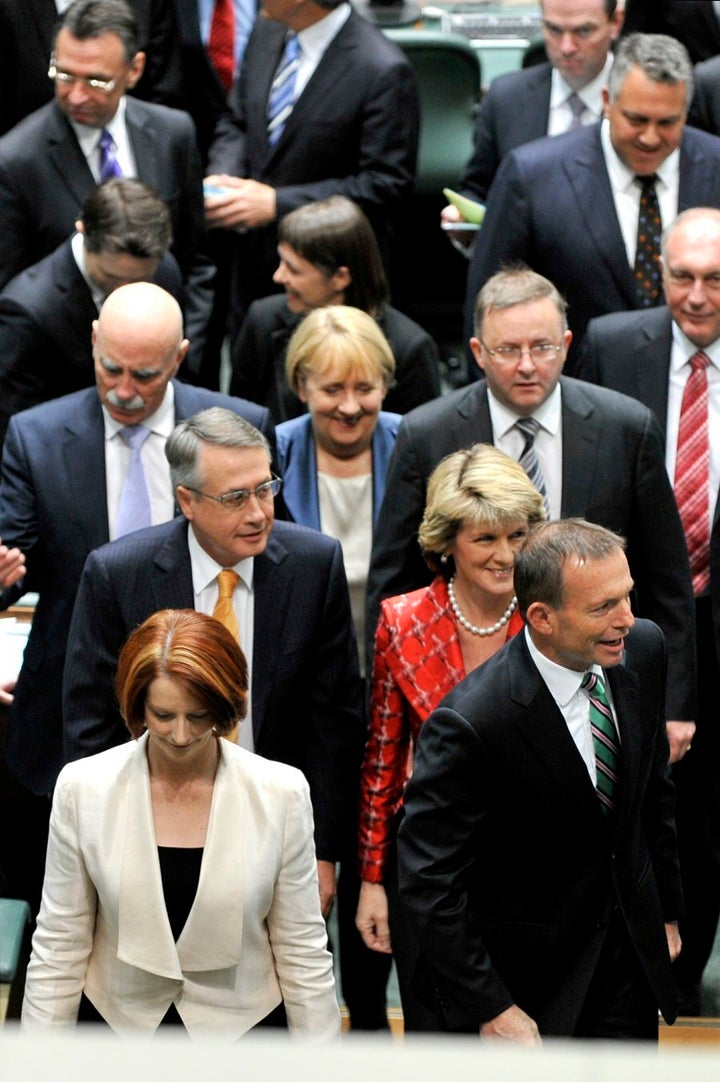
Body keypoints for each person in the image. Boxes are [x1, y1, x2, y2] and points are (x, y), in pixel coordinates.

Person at [366, 267, 696, 753]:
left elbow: (667, 576)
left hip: (602, 684)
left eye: (541, 347)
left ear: (565, 344)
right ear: (477, 352)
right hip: (465, 685)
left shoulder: (624, 427)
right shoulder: (426, 434)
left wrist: (673, 705)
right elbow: (395, 574)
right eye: (507, 350)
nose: (526, 365)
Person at [63, 407, 364, 927]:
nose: (258, 513)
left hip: (276, 835)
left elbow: (334, 723)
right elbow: (91, 726)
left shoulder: (315, 566)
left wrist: (322, 851)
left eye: (264, 488)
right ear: (188, 501)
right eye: (235, 498)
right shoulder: (118, 574)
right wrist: (109, 849)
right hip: (152, 829)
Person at [397, 518, 682, 1041]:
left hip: (625, 967)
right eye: (603, 607)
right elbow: (430, 883)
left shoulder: (644, 648)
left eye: (627, 596)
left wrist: (663, 914)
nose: (627, 619)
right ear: (542, 617)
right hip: (527, 985)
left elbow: (653, 795)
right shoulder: (473, 722)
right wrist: (491, 1005)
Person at [22, 608, 340, 1038]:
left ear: (225, 707)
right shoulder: (84, 788)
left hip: (245, 1037)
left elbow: (301, 949)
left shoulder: (280, 792)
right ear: (137, 706)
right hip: (116, 1035)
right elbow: (60, 944)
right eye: (163, 716)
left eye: (198, 716)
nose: (181, 735)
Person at [576, 205, 720, 1014]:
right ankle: (648, 971)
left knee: (706, 828)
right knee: (639, 807)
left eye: (714, 281)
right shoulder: (612, 341)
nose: (695, 297)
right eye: (681, 277)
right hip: (625, 620)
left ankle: (691, 975)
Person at [357, 444, 545, 1030]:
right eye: (485, 539)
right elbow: (383, 761)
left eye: (517, 536)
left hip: (534, 877)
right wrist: (372, 880)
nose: (505, 555)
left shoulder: (551, 616)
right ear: (446, 542)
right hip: (432, 875)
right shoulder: (401, 620)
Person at [277, 304, 398, 1029]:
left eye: (366, 388)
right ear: (300, 386)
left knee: (376, 861)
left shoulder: (414, 445)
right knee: (307, 858)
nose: (349, 407)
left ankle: (370, 1012)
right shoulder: (275, 452)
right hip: (303, 698)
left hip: (392, 693)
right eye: (331, 390)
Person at [464, 33, 720, 370]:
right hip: (572, 397)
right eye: (637, 120)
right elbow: (488, 305)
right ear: (607, 102)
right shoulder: (531, 176)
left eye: (667, 123)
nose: (650, 137)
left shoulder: (715, 167)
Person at [0, 0, 214, 379]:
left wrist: (175, 358)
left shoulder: (173, 133)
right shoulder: (16, 161)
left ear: (134, 70)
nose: (76, 95)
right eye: (64, 74)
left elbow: (196, 260)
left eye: (96, 81)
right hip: (67, 377)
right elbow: (14, 292)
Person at [203, 0, 419, 335]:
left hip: (329, 282)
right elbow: (238, 121)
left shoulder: (382, 68)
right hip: (252, 263)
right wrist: (224, 174)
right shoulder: (267, 30)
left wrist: (277, 203)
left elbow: (384, 184)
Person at [0, 177, 182, 448]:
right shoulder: (27, 310)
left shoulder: (163, 269)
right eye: (112, 277)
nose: (126, 291)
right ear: (82, 231)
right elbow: (21, 431)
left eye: (139, 279)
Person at [231, 196, 441, 423]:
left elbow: (419, 446)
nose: (279, 276)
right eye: (281, 262)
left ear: (341, 277)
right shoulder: (262, 321)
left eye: (294, 269)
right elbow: (238, 422)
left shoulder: (409, 348)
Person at [442, 0, 623, 217]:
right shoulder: (506, 98)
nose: (566, 47)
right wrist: (463, 217)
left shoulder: (641, 104)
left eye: (583, 31)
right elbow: (477, 189)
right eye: (554, 30)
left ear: (615, 23)